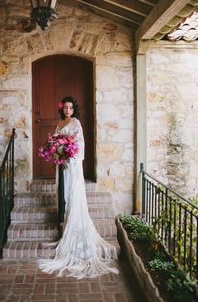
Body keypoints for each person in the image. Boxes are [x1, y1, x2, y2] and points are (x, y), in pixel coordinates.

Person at [38, 96, 119, 279]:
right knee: (62, 191)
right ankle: (64, 217)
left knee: (71, 192)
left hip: (71, 164)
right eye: (65, 107)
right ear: (62, 109)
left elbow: (80, 144)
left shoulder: (76, 123)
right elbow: (56, 141)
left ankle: (71, 223)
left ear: (74, 109)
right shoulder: (60, 121)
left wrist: (68, 153)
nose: (67, 110)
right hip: (61, 163)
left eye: (70, 107)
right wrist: (54, 148)